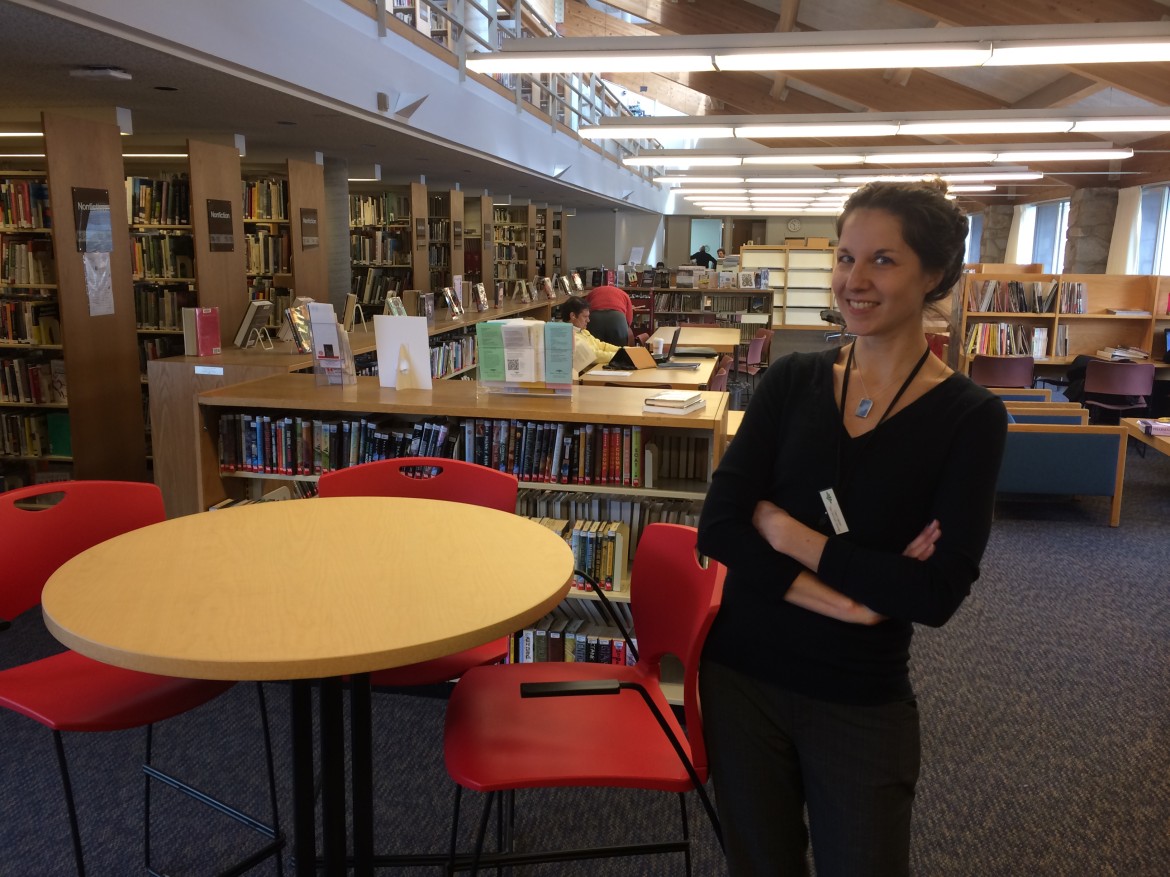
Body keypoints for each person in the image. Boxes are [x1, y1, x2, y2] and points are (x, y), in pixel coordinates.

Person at [697, 180, 1008, 877]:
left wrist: (787, 532)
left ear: (933, 275)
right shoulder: (791, 382)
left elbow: (933, 593)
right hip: (742, 676)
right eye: (845, 257)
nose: (854, 281)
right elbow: (719, 525)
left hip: (859, 695)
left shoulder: (970, 418)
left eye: (882, 261)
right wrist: (850, 596)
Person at [558, 296, 621, 368]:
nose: (588, 320)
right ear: (573, 316)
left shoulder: (583, 331)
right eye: (585, 317)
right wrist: (620, 356)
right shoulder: (567, 335)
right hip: (584, 376)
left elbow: (601, 346)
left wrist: (624, 350)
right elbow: (593, 355)